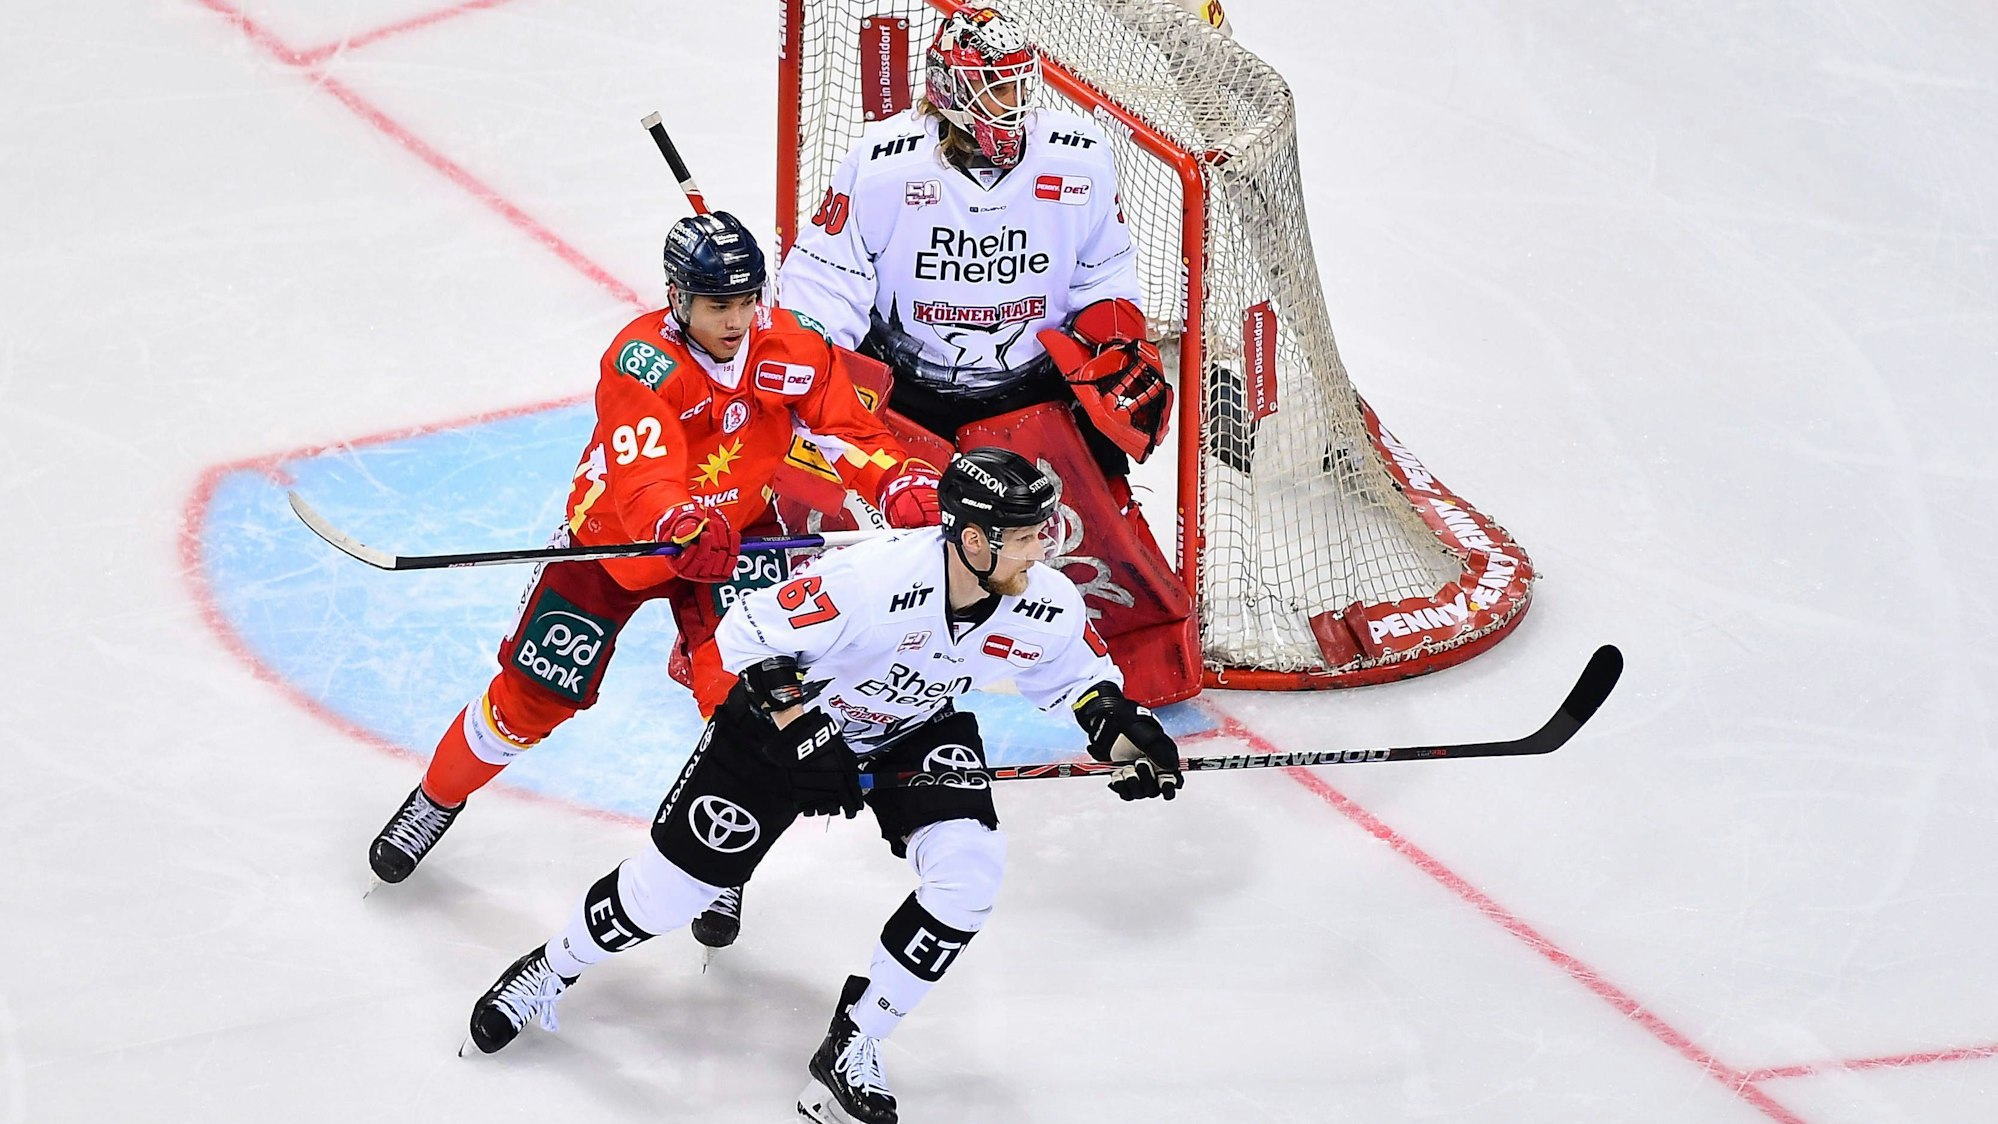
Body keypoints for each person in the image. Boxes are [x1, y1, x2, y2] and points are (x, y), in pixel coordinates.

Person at [461, 449, 1186, 1124]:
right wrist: (805, 734)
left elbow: (1080, 684)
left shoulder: (1045, 600)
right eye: (1025, 537)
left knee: (969, 875)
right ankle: (550, 968)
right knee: (665, 896)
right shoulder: (872, 579)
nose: (1042, 551)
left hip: (914, 728)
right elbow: (742, 635)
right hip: (783, 727)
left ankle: (855, 1041)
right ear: (972, 540)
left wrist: (1130, 736)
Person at [366, 211, 943, 926]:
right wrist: (678, 523)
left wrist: (894, 479)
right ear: (678, 297)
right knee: (529, 700)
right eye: (718, 304)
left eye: (746, 300)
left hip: (739, 540)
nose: (736, 320)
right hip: (618, 544)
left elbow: (845, 429)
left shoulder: (791, 344)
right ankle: (436, 798)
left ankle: (718, 863)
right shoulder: (641, 362)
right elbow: (645, 478)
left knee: (756, 712)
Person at [778, 5, 1201, 708]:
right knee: (835, 521)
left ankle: (1132, 671)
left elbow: (1104, 276)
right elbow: (824, 285)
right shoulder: (882, 166)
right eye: (997, 87)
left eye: (1020, 84)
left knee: (1085, 537)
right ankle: (787, 653)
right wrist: (811, 372)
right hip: (907, 392)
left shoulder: (1078, 156)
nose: (1016, 102)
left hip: (1029, 391)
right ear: (950, 91)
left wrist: (1116, 341)